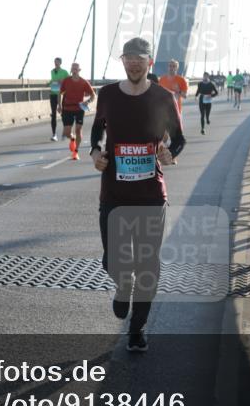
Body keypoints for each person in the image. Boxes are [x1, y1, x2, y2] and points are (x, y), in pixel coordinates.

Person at [89, 37, 185, 353]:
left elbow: (179, 139)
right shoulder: (108, 95)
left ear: (149, 62)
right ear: (123, 61)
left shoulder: (163, 97)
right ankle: (123, 284)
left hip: (151, 196)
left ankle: (137, 329)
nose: (133, 63)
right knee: (113, 260)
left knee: (147, 265)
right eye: (128, 57)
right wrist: (95, 153)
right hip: (114, 194)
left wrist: (170, 153)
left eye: (139, 58)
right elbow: (97, 131)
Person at [58, 62, 96, 160]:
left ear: (79, 70)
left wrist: (87, 102)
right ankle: (72, 139)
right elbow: (60, 93)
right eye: (73, 69)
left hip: (79, 108)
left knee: (78, 130)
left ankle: (75, 152)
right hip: (67, 109)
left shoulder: (83, 82)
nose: (74, 70)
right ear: (71, 70)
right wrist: (59, 106)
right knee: (67, 132)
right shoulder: (66, 81)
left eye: (76, 69)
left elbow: (93, 95)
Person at [48, 58, 70, 141]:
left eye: (57, 62)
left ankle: (65, 133)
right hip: (53, 94)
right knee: (53, 114)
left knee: (63, 114)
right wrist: (49, 83)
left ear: (60, 63)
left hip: (62, 95)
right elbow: (53, 80)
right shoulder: (52, 71)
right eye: (55, 62)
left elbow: (69, 81)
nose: (55, 63)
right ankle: (54, 135)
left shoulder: (64, 72)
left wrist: (62, 81)